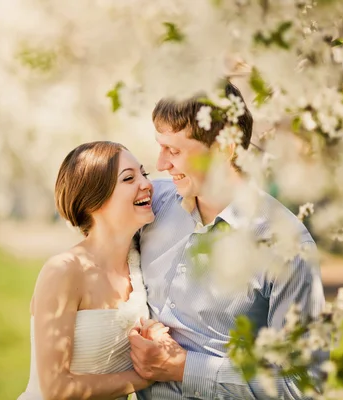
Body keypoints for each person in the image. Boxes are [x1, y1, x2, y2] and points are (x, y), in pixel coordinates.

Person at [128, 82, 326, 399]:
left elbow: (302, 385)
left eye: (174, 151)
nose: (161, 164)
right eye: (161, 147)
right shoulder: (152, 203)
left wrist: (182, 368)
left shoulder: (286, 246)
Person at [18, 141, 169, 400]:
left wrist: (155, 345)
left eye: (143, 173)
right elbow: (56, 388)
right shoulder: (64, 271)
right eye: (129, 178)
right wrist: (146, 376)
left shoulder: (142, 264)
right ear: (94, 200)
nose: (146, 184)